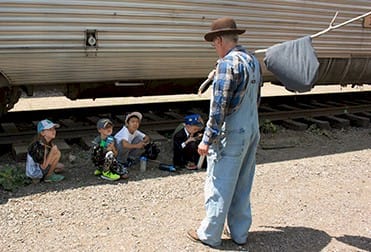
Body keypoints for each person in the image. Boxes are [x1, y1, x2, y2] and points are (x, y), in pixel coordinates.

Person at [187, 17, 262, 247]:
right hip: (251, 129)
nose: (215, 48)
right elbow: (256, 98)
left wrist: (206, 139)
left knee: (219, 182)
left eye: (214, 43)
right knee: (243, 182)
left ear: (219, 40)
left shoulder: (227, 64)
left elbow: (219, 107)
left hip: (232, 134)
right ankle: (240, 233)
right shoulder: (252, 61)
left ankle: (210, 234)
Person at [26, 119, 65, 183]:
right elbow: (43, 167)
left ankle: (48, 173)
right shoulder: (41, 146)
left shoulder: (45, 142)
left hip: (37, 168)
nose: (53, 131)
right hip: (35, 172)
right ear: (42, 133)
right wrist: (52, 152)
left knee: (61, 166)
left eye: (54, 129)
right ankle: (48, 176)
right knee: (57, 153)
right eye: (50, 129)